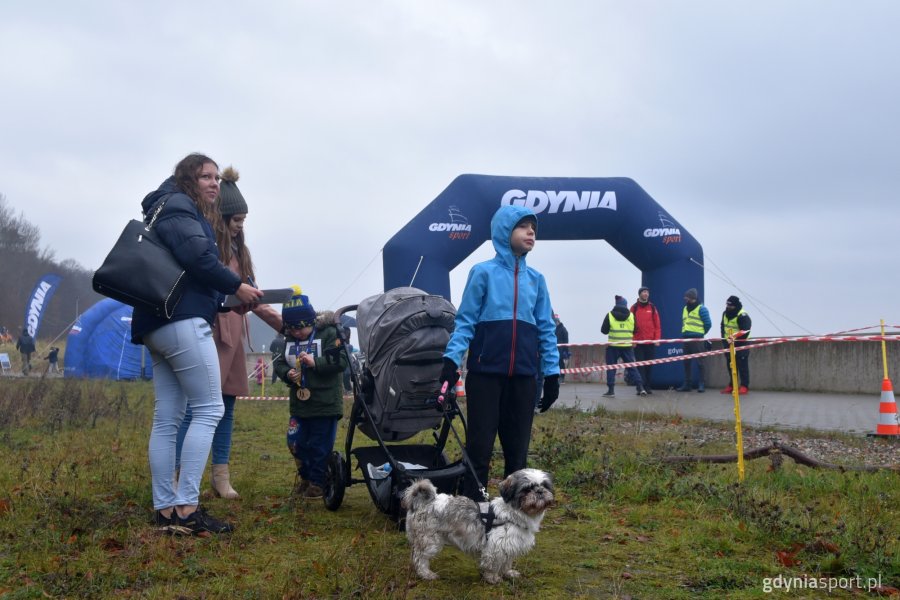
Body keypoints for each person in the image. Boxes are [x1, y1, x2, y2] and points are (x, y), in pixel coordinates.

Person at [131, 153, 263, 536]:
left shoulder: (165, 208)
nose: (213, 183)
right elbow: (198, 257)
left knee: (168, 418)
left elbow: (186, 273)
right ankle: (187, 507)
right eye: (206, 176)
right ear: (188, 178)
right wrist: (235, 285)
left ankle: (166, 511)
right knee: (209, 409)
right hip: (182, 323)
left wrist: (226, 301)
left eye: (217, 177)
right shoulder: (180, 208)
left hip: (158, 322)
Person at [175, 166, 282, 500]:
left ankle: (220, 475)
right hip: (210, 331)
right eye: (236, 220)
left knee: (227, 404)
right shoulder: (207, 249)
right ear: (220, 218)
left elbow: (251, 294)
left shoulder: (240, 252)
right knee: (197, 407)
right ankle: (181, 474)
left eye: (243, 221)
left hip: (234, 335)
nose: (240, 226)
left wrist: (283, 322)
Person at [440, 205, 560, 502]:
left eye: (533, 227)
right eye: (523, 227)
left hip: (523, 377)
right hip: (485, 376)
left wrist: (553, 373)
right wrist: (451, 361)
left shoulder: (537, 279)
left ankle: (515, 513)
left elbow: (546, 328)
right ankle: (472, 509)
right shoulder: (483, 273)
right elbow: (465, 321)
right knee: (480, 446)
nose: (531, 232)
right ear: (505, 232)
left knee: (517, 450)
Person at [273, 288, 348, 499]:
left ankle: (317, 482)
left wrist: (317, 362)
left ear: (311, 321)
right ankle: (305, 477)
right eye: (292, 328)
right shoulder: (286, 339)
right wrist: (287, 373)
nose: (296, 333)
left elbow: (341, 361)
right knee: (294, 442)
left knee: (319, 445)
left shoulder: (330, 333)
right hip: (299, 405)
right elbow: (278, 362)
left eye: (301, 328)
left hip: (325, 404)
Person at [601, 296, 647, 398]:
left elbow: (604, 331)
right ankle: (640, 388)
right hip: (627, 346)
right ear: (625, 305)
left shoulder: (609, 315)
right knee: (632, 368)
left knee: (611, 368)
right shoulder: (631, 316)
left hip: (613, 346)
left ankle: (611, 390)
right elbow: (636, 330)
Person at [676, 287, 711, 393]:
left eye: (687, 297)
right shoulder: (685, 308)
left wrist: (701, 333)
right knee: (686, 362)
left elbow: (708, 324)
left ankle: (701, 384)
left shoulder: (702, 309)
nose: (685, 299)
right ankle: (687, 384)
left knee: (700, 363)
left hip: (697, 338)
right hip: (686, 338)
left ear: (692, 298)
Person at [630, 287, 661, 394]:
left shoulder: (652, 308)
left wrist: (656, 339)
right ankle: (640, 387)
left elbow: (657, 325)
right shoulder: (633, 308)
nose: (646, 294)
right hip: (638, 343)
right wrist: (632, 340)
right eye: (644, 292)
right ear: (639, 294)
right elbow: (630, 327)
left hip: (650, 342)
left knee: (649, 366)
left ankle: (647, 386)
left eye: (647, 292)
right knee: (640, 366)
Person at [720, 295, 752, 394]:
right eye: (727, 305)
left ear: (735, 305)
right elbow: (722, 327)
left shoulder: (742, 315)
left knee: (743, 366)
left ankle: (744, 386)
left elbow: (745, 330)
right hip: (728, 344)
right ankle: (732, 385)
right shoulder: (725, 313)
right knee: (730, 366)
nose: (728, 307)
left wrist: (734, 338)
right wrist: (725, 341)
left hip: (741, 344)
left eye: (730, 306)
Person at [553, 313, 570, 384]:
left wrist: (566, 352)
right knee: (556, 364)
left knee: (561, 364)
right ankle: (557, 377)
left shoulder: (563, 329)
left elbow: (566, 341)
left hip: (561, 350)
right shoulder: (554, 329)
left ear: (558, 321)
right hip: (554, 349)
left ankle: (562, 377)